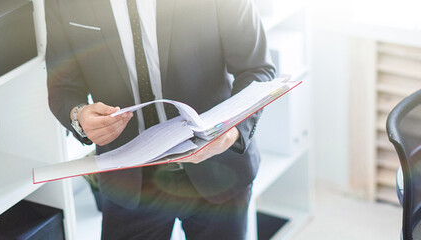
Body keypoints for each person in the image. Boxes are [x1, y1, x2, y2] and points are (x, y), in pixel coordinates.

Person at [45, 0, 275, 239]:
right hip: (129, 182)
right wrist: (79, 116)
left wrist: (233, 129)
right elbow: (62, 87)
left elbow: (257, 69)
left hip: (217, 169)